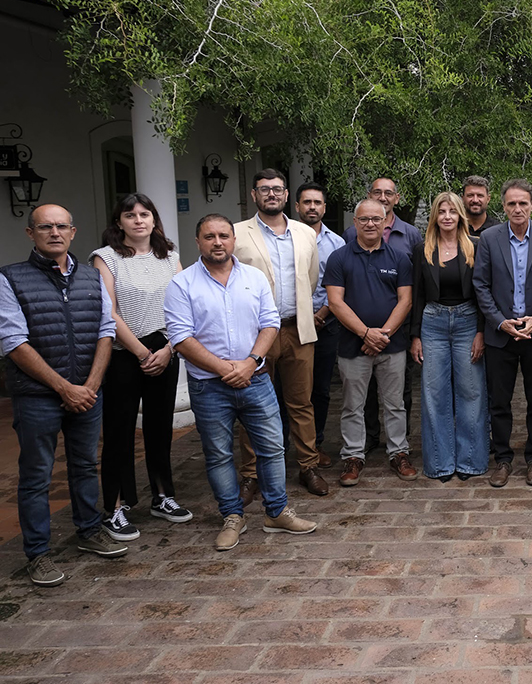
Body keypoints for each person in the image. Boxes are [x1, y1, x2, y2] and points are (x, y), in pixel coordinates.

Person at [164, 214, 316, 551]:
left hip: (256, 380)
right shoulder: (182, 284)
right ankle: (233, 516)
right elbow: (181, 337)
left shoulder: (254, 277)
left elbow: (270, 322)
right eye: (209, 237)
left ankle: (277, 512)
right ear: (198, 242)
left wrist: (250, 363)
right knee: (219, 455)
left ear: (234, 240)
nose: (217, 242)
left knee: (272, 449)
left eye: (223, 236)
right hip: (209, 386)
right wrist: (224, 369)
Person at [2, 205, 123, 586]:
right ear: (30, 233)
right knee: (36, 475)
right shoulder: (10, 278)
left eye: (61, 227)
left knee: (85, 465)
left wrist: (91, 385)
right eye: (45, 227)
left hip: (87, 392)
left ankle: (89, 531)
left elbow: (106, 330)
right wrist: (63, 387)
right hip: (37, 396)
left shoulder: (91, 276)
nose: (54, 233)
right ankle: (38, 553)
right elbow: (13, 342)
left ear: (73, 232)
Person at [90, 193, 189, 544]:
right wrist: (142, 353)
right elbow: (109, 311)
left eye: (144, 214)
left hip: (165, 349)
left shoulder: (170, 257)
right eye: (130, 215)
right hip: (123, 352)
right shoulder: (106, 258)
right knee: (119, 432)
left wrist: (168, 348)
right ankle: (115, 507)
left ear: (153, 219)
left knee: (160, 428)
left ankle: (163, 495)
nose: (138, 220)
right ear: (119, 222)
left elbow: (183, 306)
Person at [232, 169, 327, 500]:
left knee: (301, 403)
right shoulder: (236, 233)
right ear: (254, 195)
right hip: (256, 334)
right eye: (264, 189)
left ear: (287, 195)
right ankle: (250, 474)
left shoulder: (304, 233)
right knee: (253, 405)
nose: (271, 194)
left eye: (277, 189)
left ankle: (308, 466)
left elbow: (311, 279)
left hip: (297, 329)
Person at [475, 178, 532, 487]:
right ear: (503, 206)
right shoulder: (489, 238)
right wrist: (500, 322)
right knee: (499, 402)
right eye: (512, 203)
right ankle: (502, 459)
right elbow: (481, 285)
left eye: (523, 203)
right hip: (501, 334)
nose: (517, 208)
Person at [324, 198, 417, 486]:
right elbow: (335, 302)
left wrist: (382, 335)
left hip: (392, 345)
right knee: (353, 405)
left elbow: (405, 301)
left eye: (376, 219)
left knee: (395, 403)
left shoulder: (399, 258)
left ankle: (399, 453)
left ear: (385, 221)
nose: (370, 224)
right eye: (364, 219)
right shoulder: (339, 258)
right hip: (353, 345)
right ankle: (353, 456)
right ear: (355, 223)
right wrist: (366, 333)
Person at [410, 192, 489, 481]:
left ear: (460, 215)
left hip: (468, 321)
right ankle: (440, 463)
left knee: (472, 392)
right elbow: (417, 294)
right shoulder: (422, 249)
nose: (447, 217)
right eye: (442, 211)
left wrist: (481, 331)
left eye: (452, 211)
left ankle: (470, 462)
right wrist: (415, 335)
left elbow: (484, 293)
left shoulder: (476, 246)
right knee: (435, 395)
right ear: (435, 216)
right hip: (433, 323)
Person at [343, 177, 423, 454]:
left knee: (398, 394)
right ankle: (364, 442)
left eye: (389, 193)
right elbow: (340, 293)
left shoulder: (409, 237)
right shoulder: (347, 241)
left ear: (396, 199)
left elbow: (411, 291)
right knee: (359, 398)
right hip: (356, 335)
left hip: (396, 333)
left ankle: (399, 446)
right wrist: (366, 334)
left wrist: (383, 334)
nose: (383, 197)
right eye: (377, 192)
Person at [295, 182, 344, 470]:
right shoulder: (286, 238)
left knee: (321, 389)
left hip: (326, 324)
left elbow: (340, 285)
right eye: (307, 202)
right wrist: (302, 315)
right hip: (290, 326)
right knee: (287, 389)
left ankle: (316, 444)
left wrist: (321, 314)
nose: (312, 207)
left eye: (317, 202)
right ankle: (284, 446)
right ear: (297, 206)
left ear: (324, 208)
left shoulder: (337, 243)